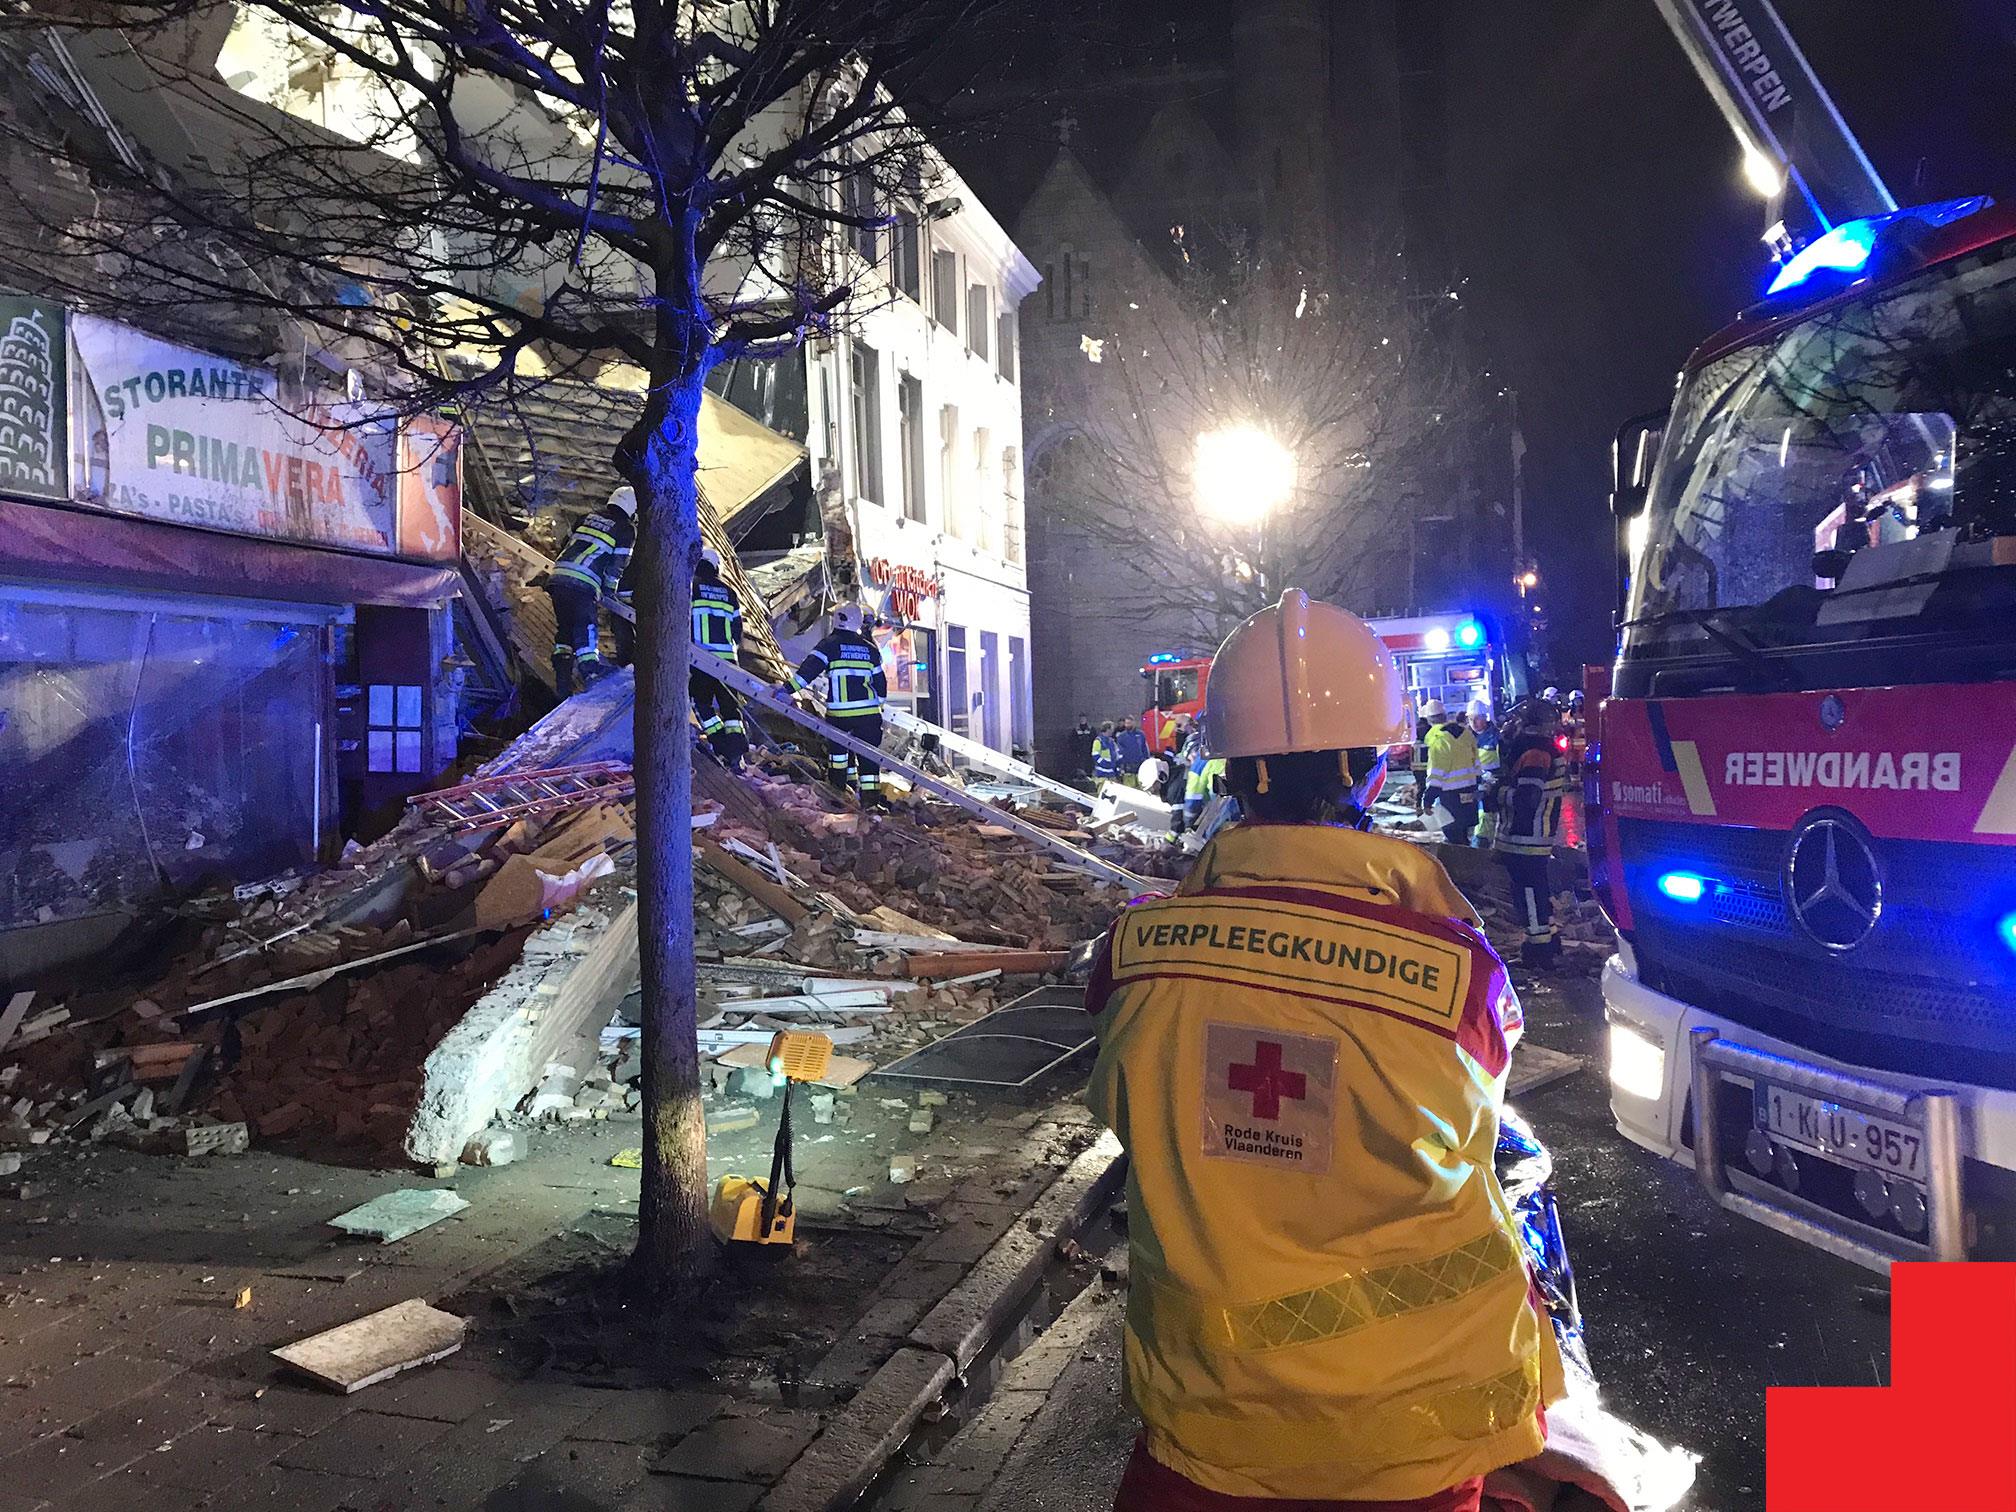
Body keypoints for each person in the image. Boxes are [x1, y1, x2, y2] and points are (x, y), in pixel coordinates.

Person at [1085, 591, 1562, 1511]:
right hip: (1413, 1445)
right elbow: (1475, 1124)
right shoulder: (1460, 974)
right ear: (1376, 774)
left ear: (1228, 774)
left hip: (1203, 1435)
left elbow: (1130, 1112)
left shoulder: (1132, 957)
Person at [1493, 697, 1570, 966]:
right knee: (1536, 888)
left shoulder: (1535, 753)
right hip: (1534, 835)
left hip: (1526, 836)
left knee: (1527, 890)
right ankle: (1547, 939)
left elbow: (1527, 799)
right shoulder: (1541, 749)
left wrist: (1497, 793)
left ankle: (1538, 950)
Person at [786, 604, 888, 805]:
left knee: (839, 758)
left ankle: (840, 797)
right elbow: (881, 684)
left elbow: (808, 671)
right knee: (869, 762)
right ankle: (870, 805)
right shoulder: (870, 649)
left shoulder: (829, 645)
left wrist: (785, 690)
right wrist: (879, 707)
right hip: (869, 715)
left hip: (840, 715)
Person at [547, 485, 636, 695]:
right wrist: (609, 590)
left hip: (559, 576)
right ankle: (591, 671)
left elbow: (564, 544)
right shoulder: (625, 529)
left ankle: (562, 675)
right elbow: (618, 563)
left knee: (566, 628)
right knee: (585, 624)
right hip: (583, 582)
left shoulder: (586, 517)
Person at [690, 546, 747, 770]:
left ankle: (720, 744)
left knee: (701, 703)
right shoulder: (730, 592)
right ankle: (737, 754)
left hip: (699, 659)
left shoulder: (691, 585)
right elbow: (737, 630)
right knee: (731, 709)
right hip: (727, 662)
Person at [1421, 699, 1482, 845]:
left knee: (1452, 836)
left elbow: (1437, 773)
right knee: (1463, 835)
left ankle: (1459, 865)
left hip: (1449, 797)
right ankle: (1468, 862)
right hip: (1470, 792)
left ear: (1428, 719)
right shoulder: (1466, 734)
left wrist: (1428, 798)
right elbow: (1477, 762)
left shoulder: (1438, 740)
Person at [1469, 698, 1500, 845]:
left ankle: (1479, 847)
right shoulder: (1467, 737)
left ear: (1485, 718)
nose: (1473, 723)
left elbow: (1504, 764)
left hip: (1491, 787)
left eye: (1477, 719)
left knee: (1485, 818)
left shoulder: (1496, 737)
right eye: (1470, 719)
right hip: (1474, 785)